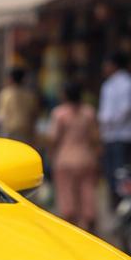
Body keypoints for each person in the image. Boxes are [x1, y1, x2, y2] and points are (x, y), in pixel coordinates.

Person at [47, 81, 100, 233]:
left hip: (64, 160)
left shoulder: (59, 113)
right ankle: (87, 225)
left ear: (65, 95)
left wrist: (50, 155)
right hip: (86, 159)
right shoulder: (90, 112)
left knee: (66, 195)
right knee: (87, 193)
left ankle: (71, 230)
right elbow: (95, 137)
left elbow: (53, 138)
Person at [98, 50, 131, 205]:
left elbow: (127, 109)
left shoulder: (129, 83)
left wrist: (113, 123)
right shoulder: (108, 85)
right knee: (110, 174)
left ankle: (125, 204)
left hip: (123, 135)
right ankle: (115, 205)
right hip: (109, 136)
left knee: (121, 173)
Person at [0, 67, 39, 145]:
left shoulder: (5, 94)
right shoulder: (30, 95)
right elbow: (34, 114)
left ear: (10, 79)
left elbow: (0, 115)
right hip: (25, 131)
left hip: (8, 131)